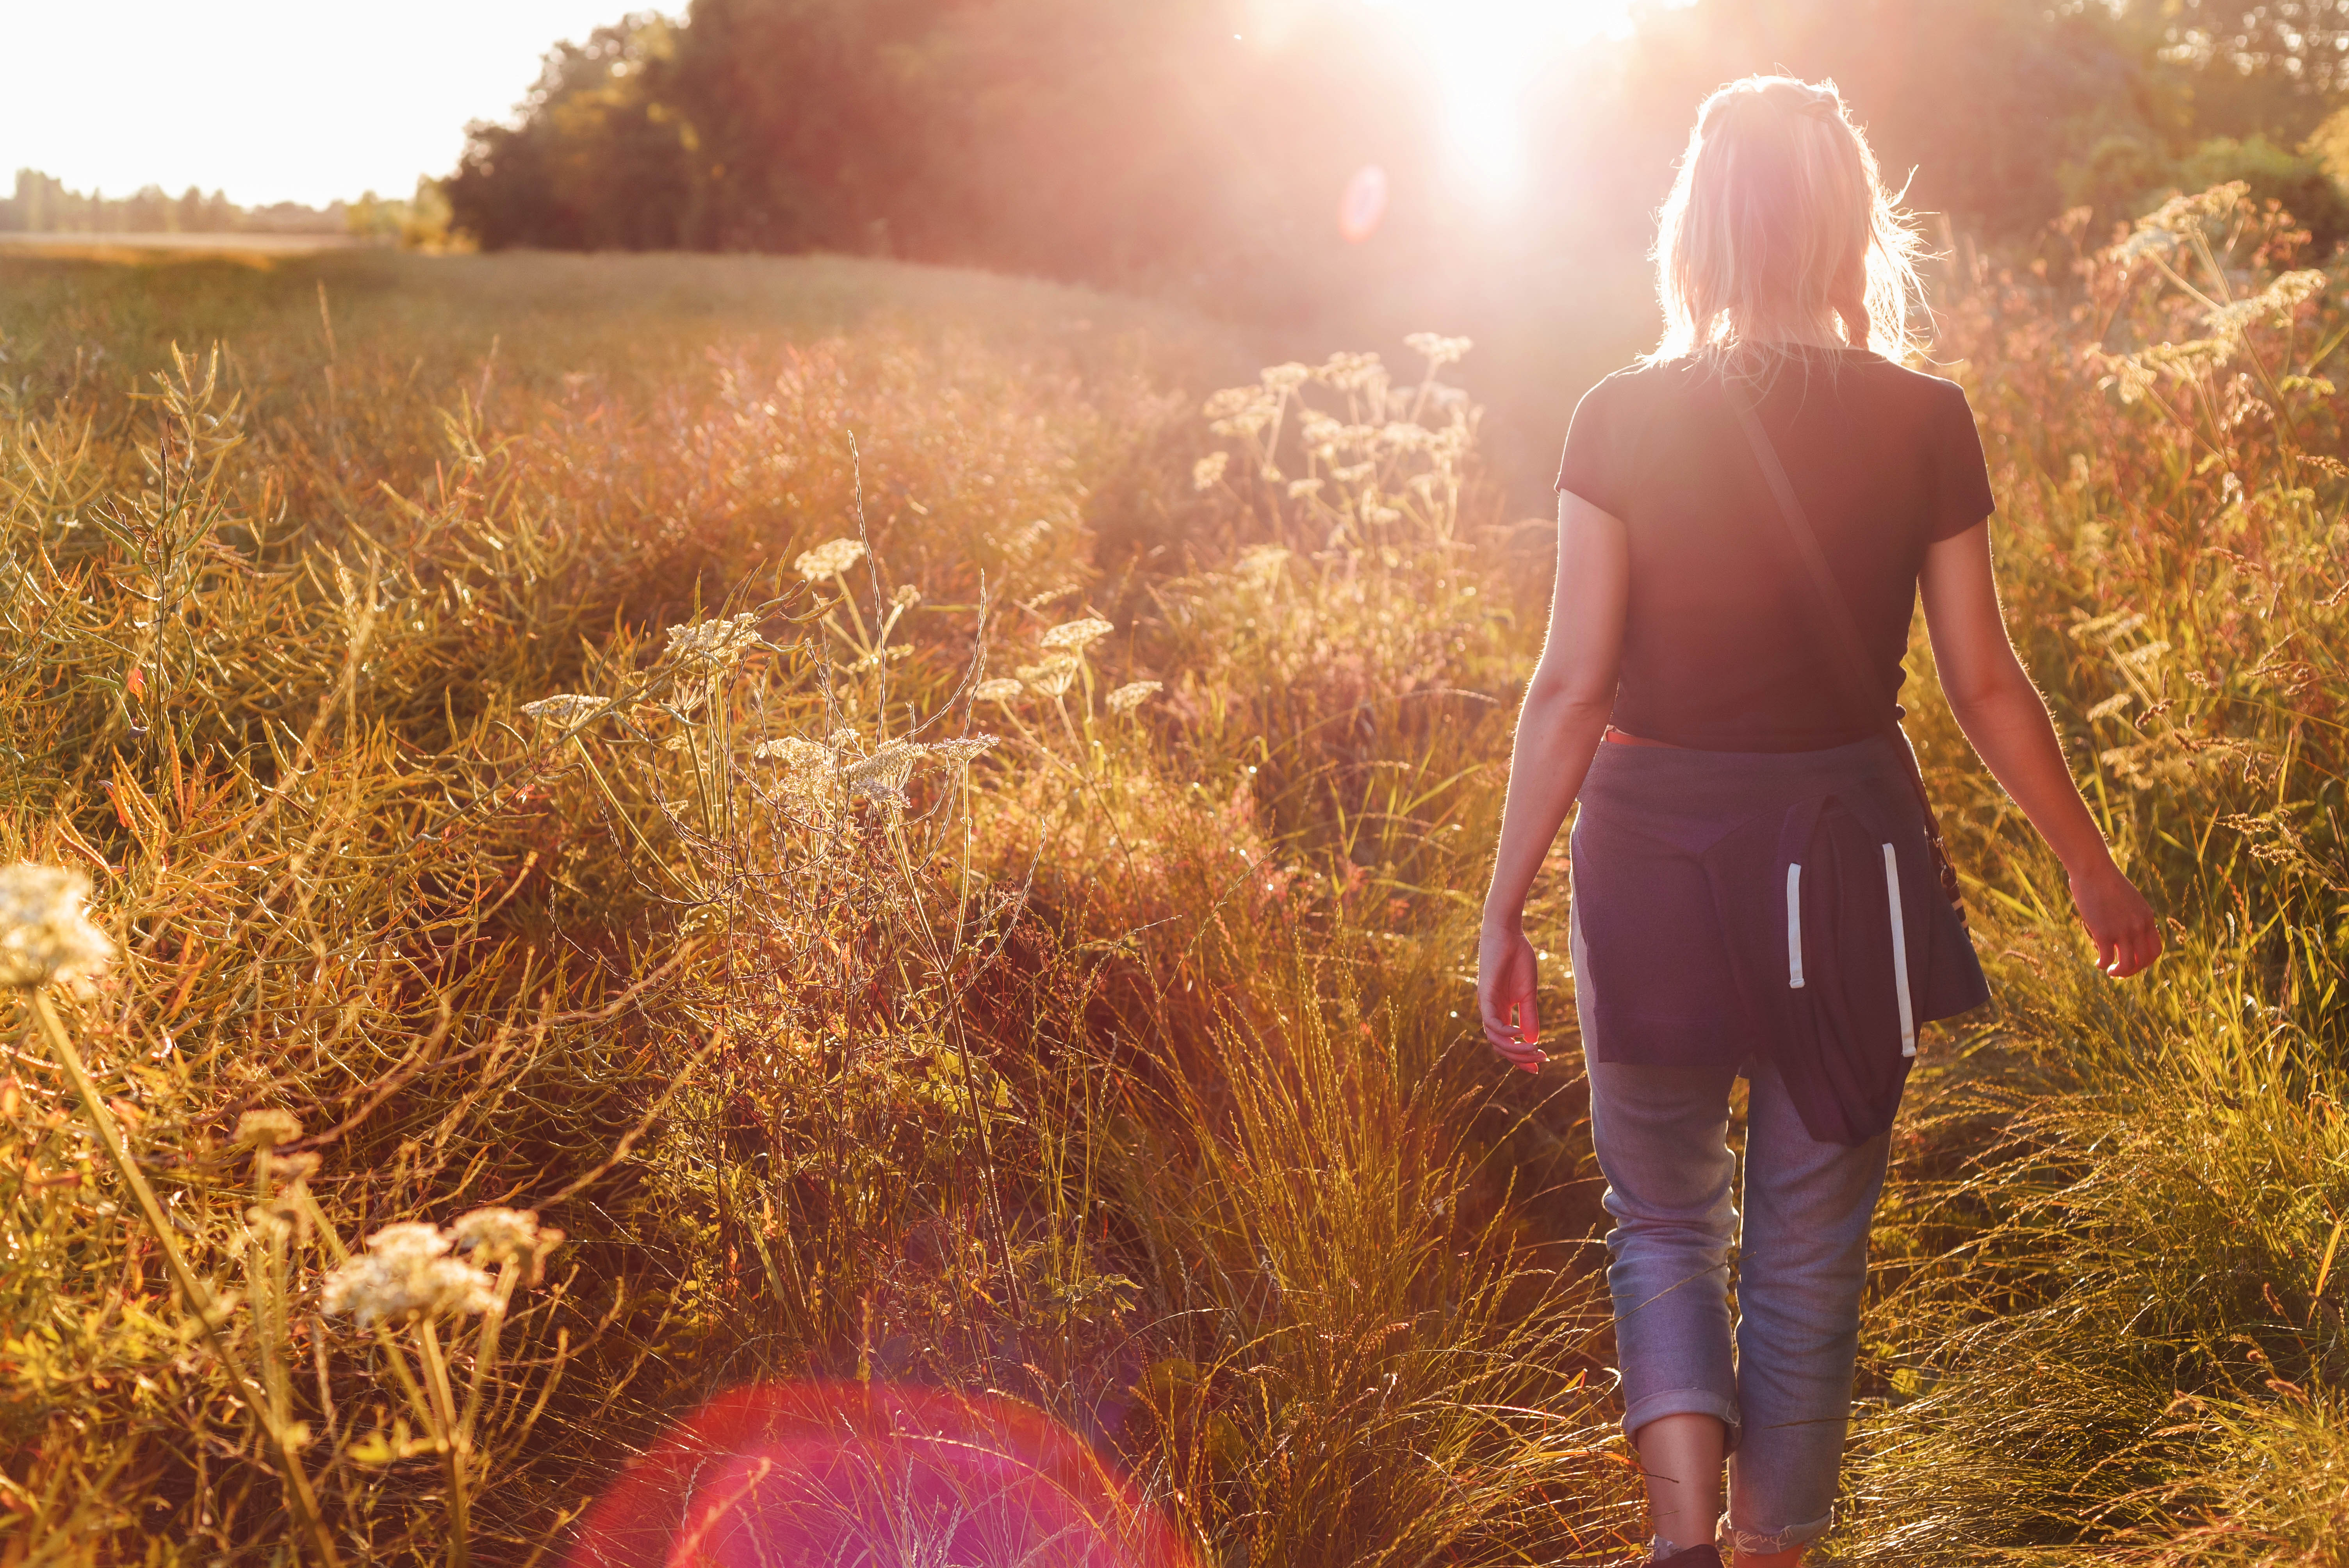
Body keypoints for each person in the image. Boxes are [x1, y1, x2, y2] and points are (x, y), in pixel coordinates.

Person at [1474, 75, 2161, 1567]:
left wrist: (1505, 900)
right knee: (1806, 1251)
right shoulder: (1925, 418)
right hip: (1851, 864)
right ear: (1852, 224)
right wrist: (2092, 870)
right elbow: (1985, 680)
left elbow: (1571, 682)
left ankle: (1681, 1546)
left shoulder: (1621, 416)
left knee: (1661, 1219)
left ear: (1696, 230)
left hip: (1652, 856)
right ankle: (1776, 1553)